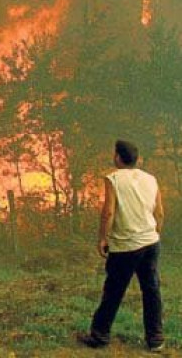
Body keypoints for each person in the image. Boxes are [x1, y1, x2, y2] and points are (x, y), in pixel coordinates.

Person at [79, 140, 164, 352]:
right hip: (150, 243)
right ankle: (155, 339)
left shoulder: (113, 179)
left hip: (125, 245)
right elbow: (159, 212)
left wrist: (102, 239)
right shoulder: (151, 179)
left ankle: (99, 335)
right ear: (137, 159)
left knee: (114, 290)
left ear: (118, 157)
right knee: (151, 289)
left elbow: (108, 212)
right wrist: (153, 234)